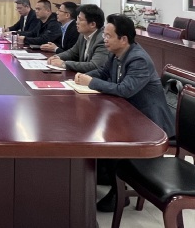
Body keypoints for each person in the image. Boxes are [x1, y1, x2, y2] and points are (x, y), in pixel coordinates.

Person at [74, 14, 176, 212]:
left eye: (108, 36)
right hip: (128, 112)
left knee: (109, 135)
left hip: (149, 121)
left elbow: (124, 89)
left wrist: (91, 82)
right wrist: (82, 77)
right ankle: (106, 172)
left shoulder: (138, 59)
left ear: (123, 39)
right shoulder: (115, 53)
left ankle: (119, 190)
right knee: (99, 127)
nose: (104, 39)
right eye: (104, 35)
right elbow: (103, 73)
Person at [47, 4, 109, 73]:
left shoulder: (102, 39)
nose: (76, 22)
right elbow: (72, 52)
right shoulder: (83, 35)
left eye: (80, 19)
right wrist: (57, 57)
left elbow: (94, 66)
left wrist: (64, 64)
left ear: (92, 24)